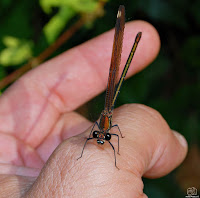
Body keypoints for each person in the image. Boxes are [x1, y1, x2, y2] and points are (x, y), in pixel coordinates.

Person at [0, 20, 187, 197]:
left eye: (102, 137)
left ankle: (134, 37)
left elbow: (116, 134)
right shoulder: (98, 132)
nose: (100, 139)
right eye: (101, 137)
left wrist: (117, 147)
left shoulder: (110, 131)